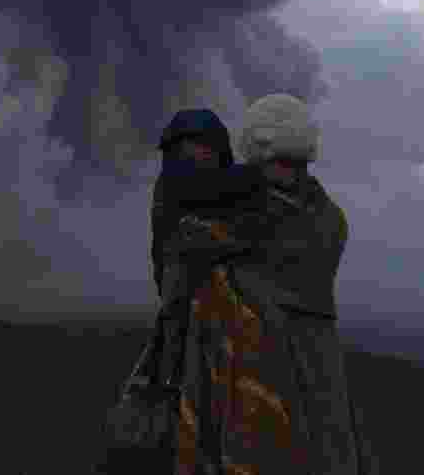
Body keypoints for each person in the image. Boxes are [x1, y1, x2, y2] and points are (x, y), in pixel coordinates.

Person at [154, 95, 376, 475]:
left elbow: (181, 245)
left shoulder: (245, 217)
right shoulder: (331, 218)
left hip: (255, 373)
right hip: (320, 369)